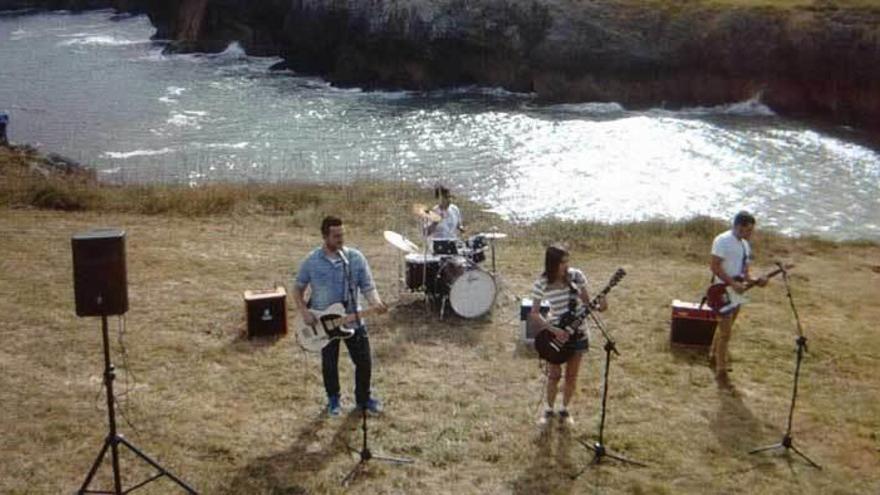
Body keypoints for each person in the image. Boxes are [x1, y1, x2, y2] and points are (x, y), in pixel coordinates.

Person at [292, 216, 387, 416]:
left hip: (353, 319)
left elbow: (368, 286)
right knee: (329, 363)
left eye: (342, 235)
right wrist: (304, 312)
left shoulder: (355, 258)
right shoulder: (311, 261)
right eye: (336, 236)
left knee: (364, 361)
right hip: (322, 323)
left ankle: (363, 398)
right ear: (325, 236)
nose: (340, 239)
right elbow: (297, 288)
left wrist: (375, 302)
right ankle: (333, 399)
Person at [528, 245, 606, 426]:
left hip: (579, 332)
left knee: (572, 376)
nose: (566, 265)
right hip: (556, 334)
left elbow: (588, 304)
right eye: (562, 262)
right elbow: (534, 313)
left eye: (567, 261)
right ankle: (548, 410)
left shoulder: (576, 276)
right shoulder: (542, 283)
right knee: (554, 375)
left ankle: (564, 410)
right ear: (552, 263)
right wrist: (553, 330)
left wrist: (602, 304)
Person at [709, 211, 768, 381]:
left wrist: (757, 280)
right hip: (721, 290)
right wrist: (732, 283)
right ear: (738, 226)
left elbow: (745, 273)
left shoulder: (745, 245)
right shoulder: (722, 240)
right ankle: (721, 369)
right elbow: (715, 266)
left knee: (725, 329)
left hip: (736, 292)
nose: (750, 234)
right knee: (726, 332)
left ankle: (713, 355)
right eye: (748, 230)